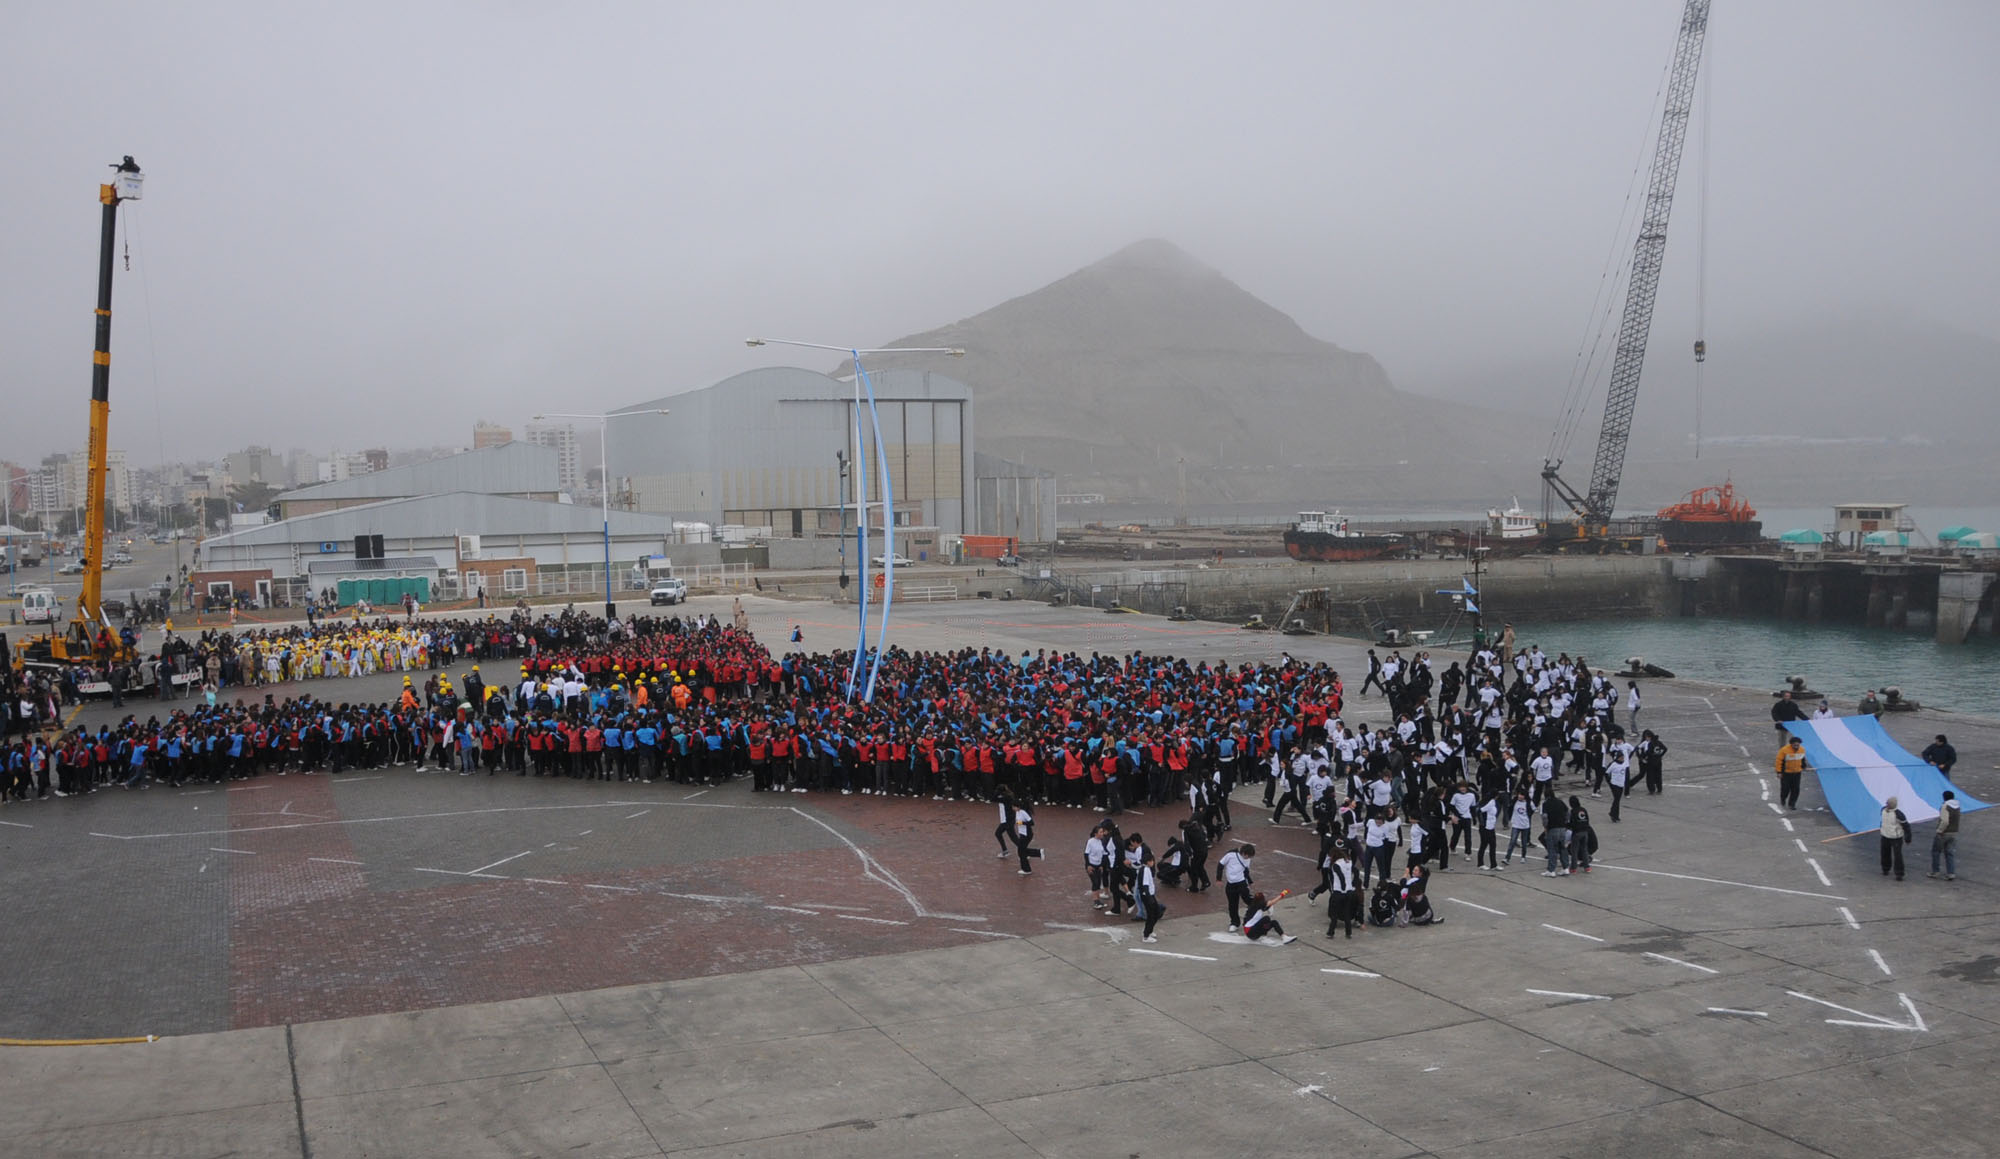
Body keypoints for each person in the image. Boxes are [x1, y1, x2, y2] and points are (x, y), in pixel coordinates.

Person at [1324, 844, 1360, 938]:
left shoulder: (1336, 865)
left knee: (1335, 914)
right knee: (1346, 912)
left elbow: (1340, 876)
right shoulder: (1348, 862)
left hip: (1338, 891)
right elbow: (1356, 872)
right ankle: (1348, 933)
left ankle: (1330, 933)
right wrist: (1353, 883)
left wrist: (1343, 886)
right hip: (1349, 891)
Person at [1218, 843, 1256, 931]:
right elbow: (1220, 865)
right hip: (1230, 884)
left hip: (1242, 883)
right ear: (1243, 853)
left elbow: (1246, 871)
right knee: (1232, 904)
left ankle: (1264, 906)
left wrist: (1250, 882)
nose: (1248, 858)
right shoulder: (1230, 855)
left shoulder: (1247, 859)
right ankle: (1234, 923)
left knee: (1247, 899)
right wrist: (1218, 879)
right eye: (1247, 856)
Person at [1929, 790, 1961, 881]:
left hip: (1944, 833)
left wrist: (1939, 830)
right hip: (1954, 832)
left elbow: (1945, 821)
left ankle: (1935, 871)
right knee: (1949, 853)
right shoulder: (1958, 806)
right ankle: (1951, 873)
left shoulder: (1945, 806)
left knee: (1936, 851)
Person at [1879, 796, 1909, 881]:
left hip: (1896, 838)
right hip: (1885, 835)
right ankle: (1885, 869)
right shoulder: (1883, 810)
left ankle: (1899, 873)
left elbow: (1906, 826)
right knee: (1885, 853)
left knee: (1897, 856)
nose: (1887, 804)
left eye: (1888, 803)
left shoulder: (1898, 814)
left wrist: (1908, 838)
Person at [1774, 736, 1808, 811]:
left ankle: (1792, 804)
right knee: (1785, 789)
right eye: (1795, 745)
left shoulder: (1802, 750)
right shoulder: (1784, 750)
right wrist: (1779, 772)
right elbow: (1779, 761)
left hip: (1797, 773)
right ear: (1791, 744)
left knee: (1796, 789)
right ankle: (1783, 799)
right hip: (1786, 773)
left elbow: (1802, 759)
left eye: (1798, 745)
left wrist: (1804, 766)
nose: (1796, 746)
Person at [1138, 852, 1165, 942]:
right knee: (1152, 915)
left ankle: (1149, 931)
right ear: (1148, 862)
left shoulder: (1143, 869)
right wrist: (1149, 898)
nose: (1153, 862)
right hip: (1148, 896)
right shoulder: (1146, 870)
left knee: (1155, 912)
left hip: (1148, 895)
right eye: (1152, 860)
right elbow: (1145, 885)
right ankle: (1146, 935)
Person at [1011, 800, 1040, 875]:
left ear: (1018, 807)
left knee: (1021, 851)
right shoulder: (1017, 812)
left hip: (1027, 834)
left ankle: (1027, 869)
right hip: (1022, 834)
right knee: (1022, 851)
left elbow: (1031, 823)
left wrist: (1021, 823)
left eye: (1014, 807)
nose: (1013, 808)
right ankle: (1038, 853)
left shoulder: (1023, 813)